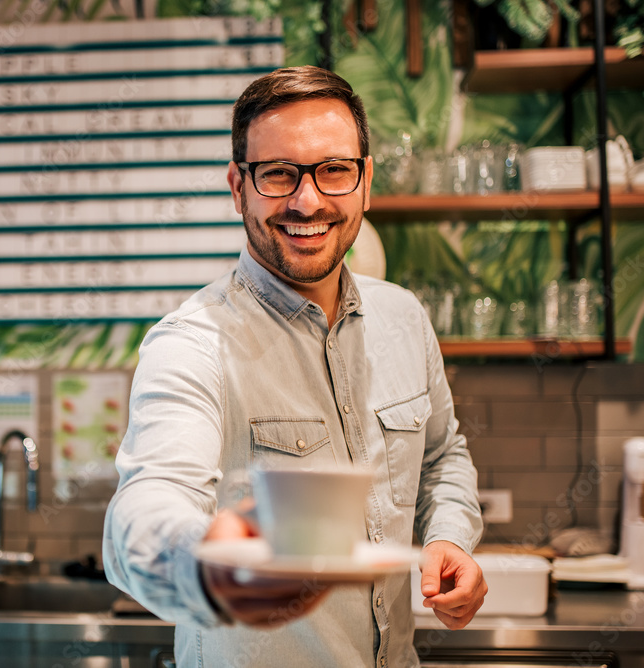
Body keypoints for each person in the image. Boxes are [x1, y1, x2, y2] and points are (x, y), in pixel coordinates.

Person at [102, 65, 487, 667]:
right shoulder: (191, 343)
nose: (308, 200)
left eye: (334, 170)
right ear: (238, 186)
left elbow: (441, 457)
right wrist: (208, 566)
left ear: (365, 184)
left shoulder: (404, 319)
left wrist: (449, 538)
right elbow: (147, 506)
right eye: (278, 174)